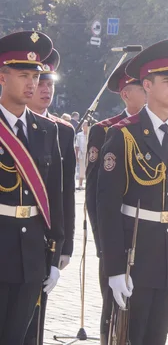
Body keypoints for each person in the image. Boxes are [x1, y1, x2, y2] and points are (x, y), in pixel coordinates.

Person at [96, 39, 168, 345]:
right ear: (147, 84)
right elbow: (107, 206)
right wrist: (114, 268)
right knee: (132, 335)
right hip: (136, 252)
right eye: (166, 81)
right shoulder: (123, 134)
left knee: (158, 336)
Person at [0, 31, 64, 344]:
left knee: (19, 337)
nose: (32, 83)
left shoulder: (46, 129)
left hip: (31, 256)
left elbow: (55, 196)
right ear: (2, 77)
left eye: (36, 75)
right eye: (23, 75)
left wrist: (54, 257)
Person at [85, 57, 146, 344]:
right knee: (114, 312)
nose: (150, 91)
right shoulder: (106, 129)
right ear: (126, 94)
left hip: (147, 241)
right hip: (114, 238)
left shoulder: (166, 131)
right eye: (142, 86)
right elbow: (95, 195)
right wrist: (103, 245)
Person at [24, 49, 77, 345]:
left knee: (35, 320)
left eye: (50, 83)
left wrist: (64, 246)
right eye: (39, 81)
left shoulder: (63, 131)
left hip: (43, 239)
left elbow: (65, 192)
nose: (45, 89)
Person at [75, 121, 88, 189]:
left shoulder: (90, 134)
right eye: (84, 125)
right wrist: (76, 156)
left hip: (89, 154)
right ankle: (80, 184)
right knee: (81, 169)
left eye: (87, 125)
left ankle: (88, 183)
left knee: (89, 169)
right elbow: (77, 146)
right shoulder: (79, 135)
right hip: (82, 154)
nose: (85, 127)